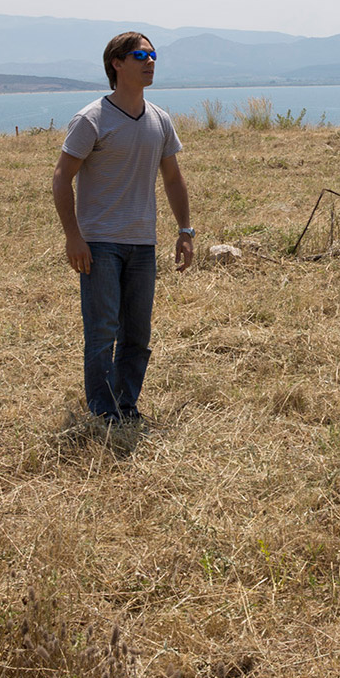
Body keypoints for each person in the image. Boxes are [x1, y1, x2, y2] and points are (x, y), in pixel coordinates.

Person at [52, 32, 195, 424]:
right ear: (117, 63)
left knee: (137, 334)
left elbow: (172, 179)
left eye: (153, 55)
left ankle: (125, 406)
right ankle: (102, 412)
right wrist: (73, 236)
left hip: (142, 244)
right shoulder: (91, 119)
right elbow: (62, 177)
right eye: (140, 55)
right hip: (99, 244)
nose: (150, 62)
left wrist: (186, 230)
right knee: (102, 332)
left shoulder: (160, 120)